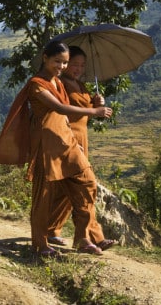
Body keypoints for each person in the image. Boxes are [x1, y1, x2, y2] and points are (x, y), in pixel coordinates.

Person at [0, 40, 114, 256]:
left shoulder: (58, 82)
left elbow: (67, 114)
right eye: (58, 61)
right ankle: (40, 244)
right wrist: (94, 112)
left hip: (66, 140)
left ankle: (82, 238)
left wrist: (94, 104)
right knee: (44, 195)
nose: (62, 67)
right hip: (46, 144)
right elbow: (58, 107)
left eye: (65, 63)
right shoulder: (37, 83)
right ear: (45, 58)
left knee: (87, 183)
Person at [48, 45, 117, 250]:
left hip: (82, 138)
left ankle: (51, 229)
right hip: (68, 139)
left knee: (67, 188)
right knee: (84, 186)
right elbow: (65, 111)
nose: (77, 68)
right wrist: (94, 110)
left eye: (82, 65)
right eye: (73, 64)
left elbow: (87, 112)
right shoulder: (60, 85)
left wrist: (96, 102)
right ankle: (91, 236)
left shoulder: (81, 85)